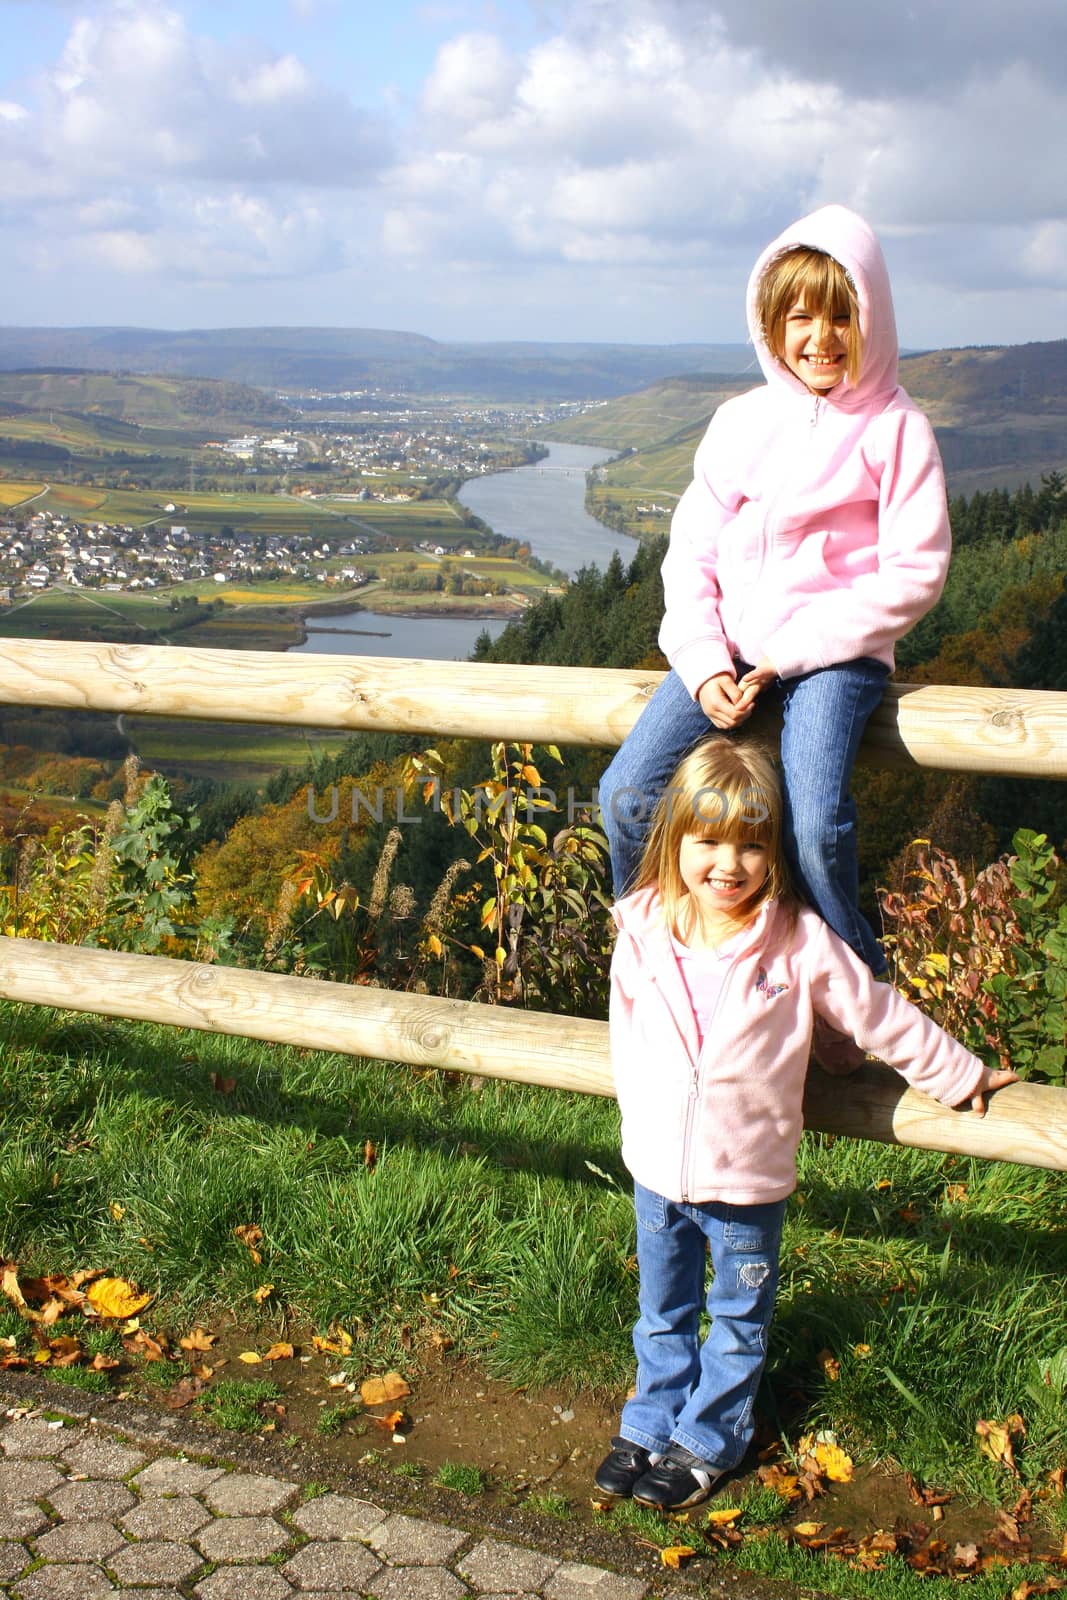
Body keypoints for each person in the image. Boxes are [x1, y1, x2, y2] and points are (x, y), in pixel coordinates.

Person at [595, 739, 1016, 1513]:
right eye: (708, 842)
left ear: (775, 853)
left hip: (748, 1178)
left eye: (751, 845)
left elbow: (876, 1013)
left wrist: (957, 1074)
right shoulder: (646, 926)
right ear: (672, 841)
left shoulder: (794, 940)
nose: (729, 865)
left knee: (734, 1319)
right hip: (655, 1168)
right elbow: (629, 1034)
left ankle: (708, 1437)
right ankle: (649, 1419)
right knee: (661, 1312)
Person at [599, 204, 952, 1066]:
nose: (820, 336)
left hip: (831, 659)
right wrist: (702, 658)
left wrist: (783, 655)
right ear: (770, 322)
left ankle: (847, 1011)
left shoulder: (897, 428)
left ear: (871, 319)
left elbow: (913, 573)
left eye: (841, 315)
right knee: (626, 797)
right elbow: (692, 553)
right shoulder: (739, 422)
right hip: (723, 655)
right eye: (800, 315)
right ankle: (660, 960)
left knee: (815, 821)